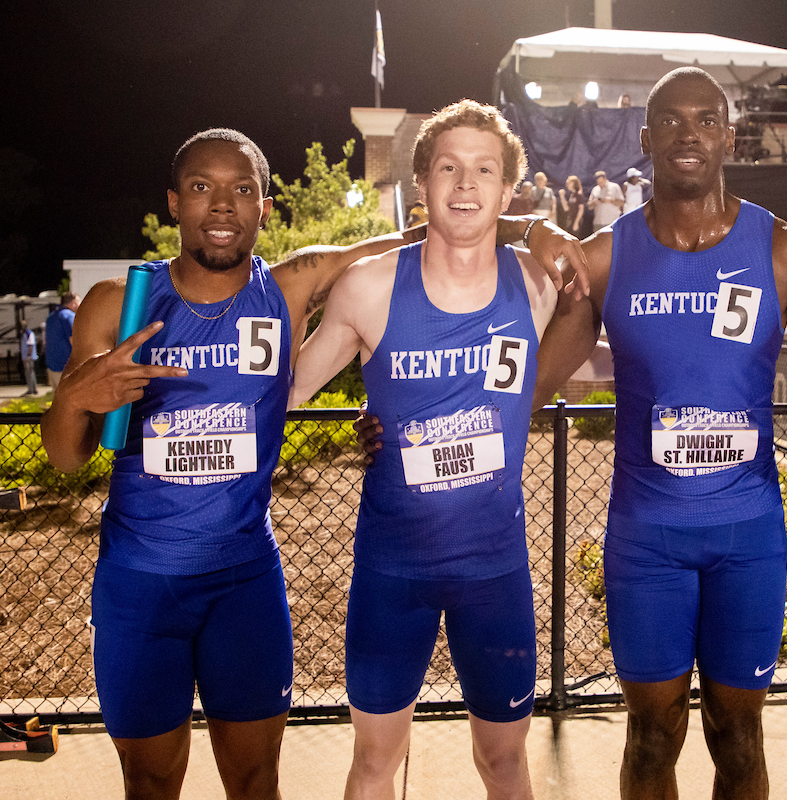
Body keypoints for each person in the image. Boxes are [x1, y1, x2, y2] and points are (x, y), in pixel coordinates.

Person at [39, 126, 581, 800]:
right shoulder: (122, 306)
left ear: (265, 207)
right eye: (202, 188)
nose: (222, 206)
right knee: (149, 780)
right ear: (174, 202)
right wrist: (73, 399)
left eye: (242, 190)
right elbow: (65, 458)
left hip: (244, 580)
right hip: (141, 581)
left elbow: (432, 235)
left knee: (256, 778)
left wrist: (534, 227)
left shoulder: (290, 286)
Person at [530, 67, 787, 798]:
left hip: (749, 537)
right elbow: (531, 386)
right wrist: (424, 421)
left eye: (706, 120)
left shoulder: (785, 250)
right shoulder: (608, 257)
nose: (689, 134)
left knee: (738, 738)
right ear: (645, 139)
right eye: (671, 121)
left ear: (728, 137)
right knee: (651, 739)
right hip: (647, 540)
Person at [289, 100, 562, 800]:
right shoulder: (371, 288)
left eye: (483, 170)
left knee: (505, 763)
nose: (465, 185)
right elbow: (284, 391)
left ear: (507, 191)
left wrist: (545, 229)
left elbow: (608, 285)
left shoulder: (537, 285)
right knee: (376, 762)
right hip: (393, 572)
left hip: (494, 572)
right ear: (422, 183)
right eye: (448, 167)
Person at [45, 291, 80, 390]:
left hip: (52, 366)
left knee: (58, 401)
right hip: (65, 368)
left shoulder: (51, 317)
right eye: (78, 302)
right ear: (73, 302)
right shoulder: (68, 316)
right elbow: (74, 341)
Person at [20, 323, 39, 396]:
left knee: (29, 373)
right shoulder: (24, 334)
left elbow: (30, 345)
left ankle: (32, 389)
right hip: (25, 357)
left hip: (29, 357)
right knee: (29, 373)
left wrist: (28, 356)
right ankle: (32, 388)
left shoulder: (29, 334)